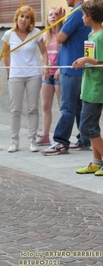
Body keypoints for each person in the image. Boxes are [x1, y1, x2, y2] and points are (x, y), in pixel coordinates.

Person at [42, 0, 91, 156]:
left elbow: (59, 38)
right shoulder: (81, 12)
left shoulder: (77, 12)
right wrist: (62, 20)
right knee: (78, 108)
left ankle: (61, 141)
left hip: (71, 68)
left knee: (67, 107)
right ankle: (84, 139)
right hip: (78, 67)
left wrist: (60, 21)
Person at [2, 5, 49, 153]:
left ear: (31, 21)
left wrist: (46, 66)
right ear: (17, 17)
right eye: (22, 16)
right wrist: (9, 72)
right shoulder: (9, 34)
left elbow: (44, 51)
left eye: (27, 17)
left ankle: (32, 140)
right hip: (16, 75)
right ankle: (14, 141)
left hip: (33, 74)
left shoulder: (36, 33)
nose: (24, 19)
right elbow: (6, 54)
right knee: (15, 109)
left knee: (33, 108)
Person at [73, 0, 103, 175]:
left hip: (96, 88)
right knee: (92, 127)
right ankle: (96, 162)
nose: (82, 18)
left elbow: (100, 61)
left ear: (90, 16)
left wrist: (86, 60)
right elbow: (92, 59)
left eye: (83, 15)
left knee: (87, 127)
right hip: (89, 85)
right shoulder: (91, 35)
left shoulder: (101, 36)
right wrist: (83, 61)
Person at [37, 7, 63, 146]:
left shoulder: (63, 34)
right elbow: (42, 54)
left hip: (60, 74)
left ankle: (61, 137)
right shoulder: (45, 36)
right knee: (45, 105)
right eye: (50, 14)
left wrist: (59, 68)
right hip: (47, 74)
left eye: (54, 14)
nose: (52, 17)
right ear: (46, 19)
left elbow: (66, 53)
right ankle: (45, 135)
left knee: (62, 106)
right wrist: (45, 64)